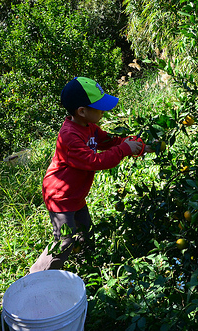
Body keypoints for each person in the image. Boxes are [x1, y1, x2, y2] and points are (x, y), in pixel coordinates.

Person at [30, 76, 151, 273]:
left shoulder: (89, 127)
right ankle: (37, 275)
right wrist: (124, 149)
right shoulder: (70, 136)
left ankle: (84, 266)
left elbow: (107, 141)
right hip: (60, 197)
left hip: (75, 195)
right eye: (99, 107)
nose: (103, 111)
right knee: (64, 240)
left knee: (85, 229)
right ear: (82, 111)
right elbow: (94, 162)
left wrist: (129, 143)